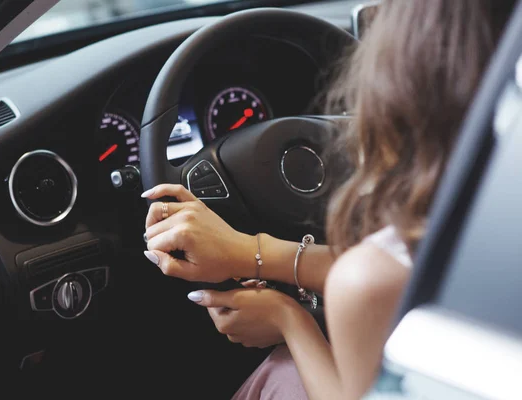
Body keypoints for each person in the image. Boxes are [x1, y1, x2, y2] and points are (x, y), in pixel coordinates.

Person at [141, 1, 516, 399]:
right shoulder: (491, 209)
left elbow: (383, 281)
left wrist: (289, 319)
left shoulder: (368, 280)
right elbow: (412, 267)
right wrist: (248, 251)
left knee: (281, 371)